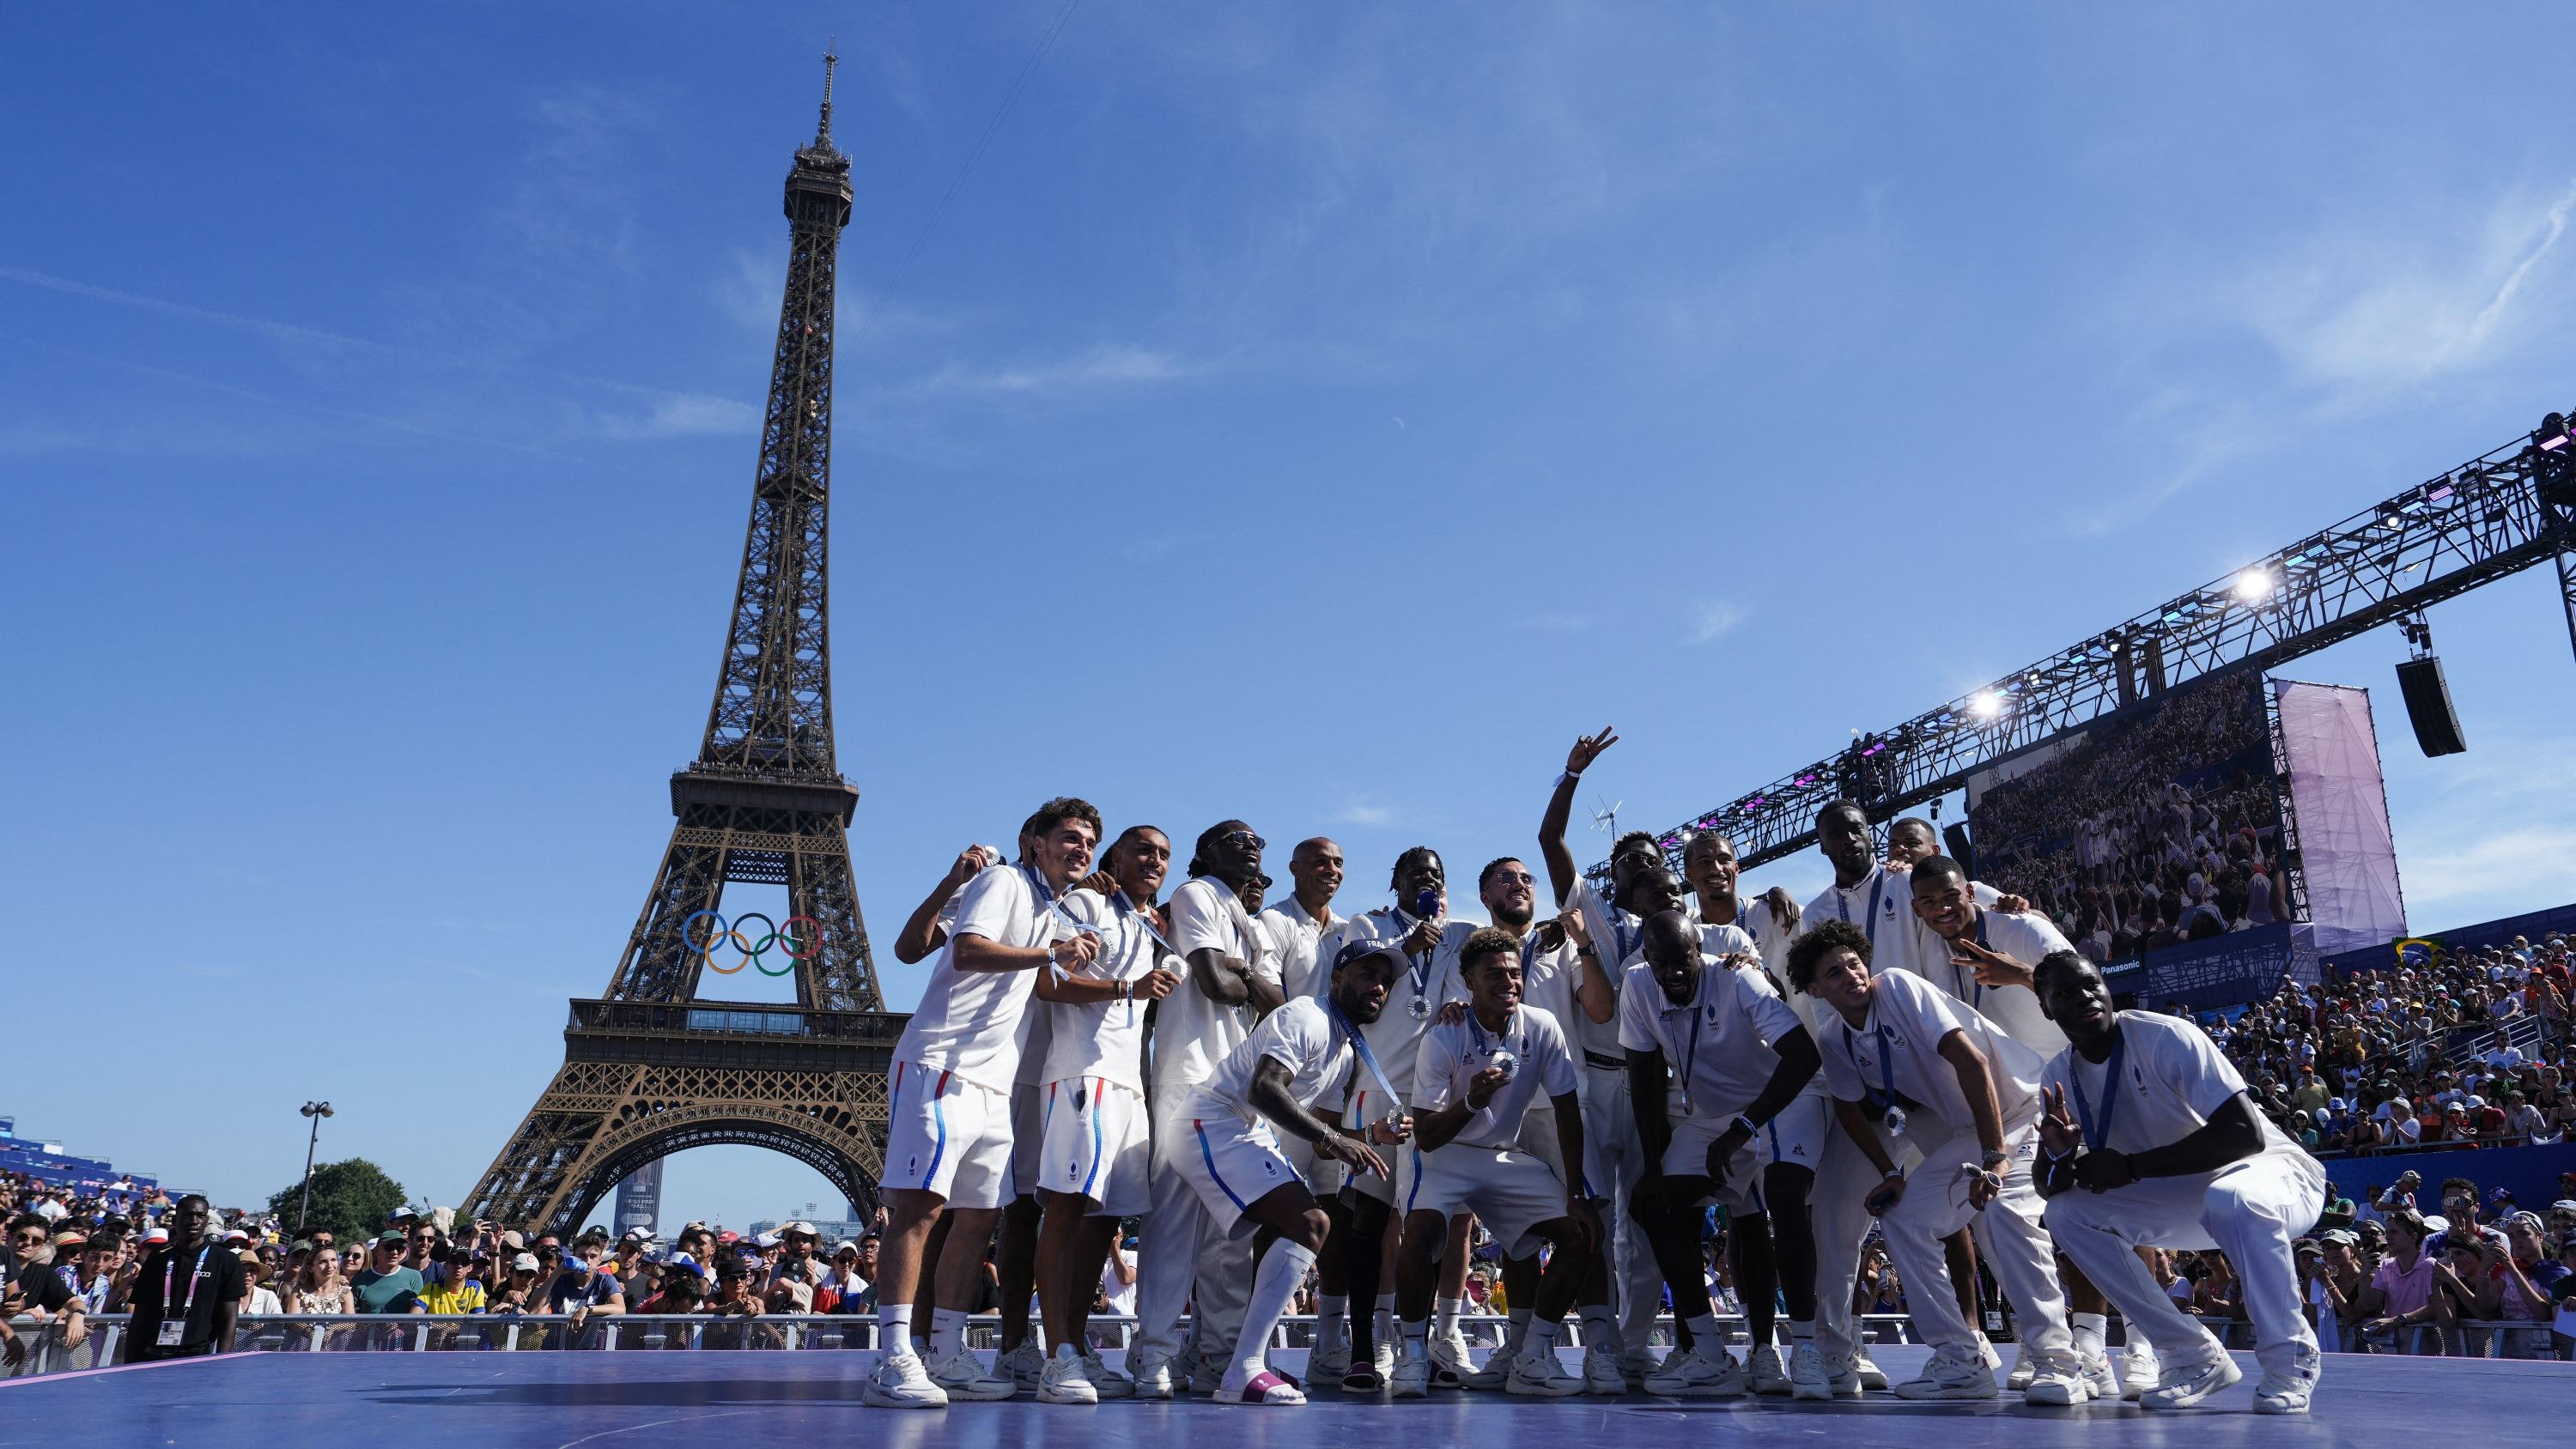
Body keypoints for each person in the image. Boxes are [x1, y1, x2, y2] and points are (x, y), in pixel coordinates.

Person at [868, 798, 1103, 1410]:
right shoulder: (1002, 882)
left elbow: (921, 948)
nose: (1082, 850)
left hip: (994, 1082)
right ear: (1033, 842)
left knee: (977, 1217)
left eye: (1089, 843)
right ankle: (894, 1356)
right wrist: (1055, 950)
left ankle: (945, 1348)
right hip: (942, 1064)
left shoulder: (1045, 905)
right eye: (1070, 838)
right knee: (919, 1209)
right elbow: (967, 950)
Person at [1791, 919, 2086, 1403]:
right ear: (1815, 989)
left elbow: (1973, 1062)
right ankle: (1960, 1358)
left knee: (2005, 1217)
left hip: (2019, 1111)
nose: (1851, 974)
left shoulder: (1900, 987)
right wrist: (1889, 1171)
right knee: (1905, 1219)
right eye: (1834, 971)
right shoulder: (1834, 1039)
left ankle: (2060, 1363)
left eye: (1853, 962)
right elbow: (1847, 1106)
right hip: (1971, 1133)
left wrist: (1995, 1157)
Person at [2032, 950, 2326, 1415]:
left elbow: (2243, 1134)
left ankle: (2291, 1361)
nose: (2087, 997)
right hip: (2192, 1195)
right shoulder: (2057, 1075)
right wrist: (2059, 1153)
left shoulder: (2165, 1036)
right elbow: (2049, 1186)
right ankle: (2190, 1353)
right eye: (2066, 993)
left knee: (2234, 1198)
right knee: (2066, 1213)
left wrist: (2129, 1168)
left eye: (2092, 985)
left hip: (2275, 1176)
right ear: (2046, 1008)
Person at [1170, 938, 1400, 1404]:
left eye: (1384, 979)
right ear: (1337, 979)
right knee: (1309, 1223)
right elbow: (1265, 1089)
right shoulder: (1308, 1017)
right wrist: (1335, 1140)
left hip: (1241, 1129)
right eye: (1366, 974)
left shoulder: (1344, 1048)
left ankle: (1235, 1363)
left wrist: (1369, 1135)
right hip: (1211, 1122)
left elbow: (1326, 1125)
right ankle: (1241, 1368)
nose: (1377, 986)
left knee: (1286, 1231)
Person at [1622, 910, 1828, 1397]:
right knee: (1654, 1204)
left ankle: (1805, 1351)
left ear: (1701, 953)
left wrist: (1744, 1127)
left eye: (1682, 960)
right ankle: (1712, 1357)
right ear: (1646, 958)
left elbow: (1804, 1056)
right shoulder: (1637, 985)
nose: (1672, 972)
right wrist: (1653, 1167)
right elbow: (1644, 1079)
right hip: (1713, 1117)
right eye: (1661, 962)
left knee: (1781, 1198)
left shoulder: (1738, 978)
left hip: (1784, 1100)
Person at [1392, 927, 1601, 1397]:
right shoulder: (1444, 1034)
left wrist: (1575, 1194)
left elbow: (1567, 1110)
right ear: (1468, 980)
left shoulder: (1542, 1025)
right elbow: (1424, 1136)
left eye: (1513, 972)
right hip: (1442, 1155)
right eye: (1494, 974)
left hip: (1500, 1156)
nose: (1507, 981)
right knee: (1422, 1233)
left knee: (1582, 1232)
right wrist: (1471, 1102)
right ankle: (1412, 1355)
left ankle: (1532, 1356)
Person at [1534, 726, 1671, 1385]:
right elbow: (1549, 843)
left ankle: (1638, 1341)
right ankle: (1600, 1344)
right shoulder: (1586, 909)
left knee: (1645, 1219)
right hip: (1593, 1081)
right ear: (1610, 874)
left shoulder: (1682, 927)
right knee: (1596, 1218)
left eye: (1651, 860)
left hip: (1653, 1086)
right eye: (1629, 862)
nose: (1641, 868)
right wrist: (1572, 776)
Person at [1309, 844, 1471, 1390]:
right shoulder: (1367, 923)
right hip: (1374, 1089)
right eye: (1416, 872)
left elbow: (1462, 991)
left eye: (1437, 873)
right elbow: (1364, 971)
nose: (1428, 880)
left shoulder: (1456, 935)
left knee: (1428, 1226)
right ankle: (1362, 1347)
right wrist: (1410, 941)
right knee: (1367, 1223)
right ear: (1396, 882)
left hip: (1429, 1096)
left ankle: (1420, 1346)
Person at [1129, 820, 1281, 1398]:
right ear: (1207, 853)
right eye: (1237, 838)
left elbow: (1276, 1004)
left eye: (1257, 841)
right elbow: (1218, 985)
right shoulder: (1195, 895)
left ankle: (1218, 1355)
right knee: (1173, 1226)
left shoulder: (1249, 921)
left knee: (1232, 1235)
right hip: (1189, 1080)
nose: (1252, 846)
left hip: (1236, 1090)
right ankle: (1155, 1355)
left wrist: (1239, 969)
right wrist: (1243, 972)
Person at [1030, 825, 1181, 1404]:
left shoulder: (1149, 924)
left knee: (1104, 1220)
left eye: (1164, 854)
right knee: (1067, 1211)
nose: (1155, 860)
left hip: (1126, 1084)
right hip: (1082, 1072)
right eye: (1143, 849)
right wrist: (1128, 985)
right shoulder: (1088, 902)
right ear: (1116, 857)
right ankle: (1055, 1357)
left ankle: (1079, 1349)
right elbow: (1049, 981)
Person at [1677, 831, 1822, 1395]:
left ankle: (1810, 1346)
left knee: (1789, 1208)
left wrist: (1759, 972)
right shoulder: (1683, 932)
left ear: (1739, 866)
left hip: (1784, 1082)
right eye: (1703, 861)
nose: (1716, 868)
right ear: (1688, 874)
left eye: (1724, 859)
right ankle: (1752, 1347)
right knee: (1741, 1216)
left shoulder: (1779, 912)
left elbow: (1811, 972)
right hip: (1720, 1087)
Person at [121, 1195, 242, 1362]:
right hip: (150, 1357)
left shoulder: (226, 1260)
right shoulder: (157, 1260)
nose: (194, 1221)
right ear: (175, 1219)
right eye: (188, 1215)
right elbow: (139, 1317)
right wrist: (128, 1363)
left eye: (200, 1216)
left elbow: (229, 1317)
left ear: (206, 1220)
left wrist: (222, 1361)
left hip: (196, 1359)